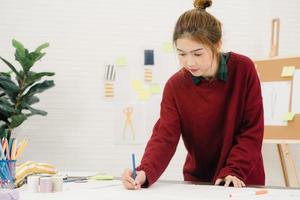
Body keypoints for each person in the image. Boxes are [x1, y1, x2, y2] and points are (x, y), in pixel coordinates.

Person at [122, 0, 265, 189]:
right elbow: (165, 136)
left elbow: (251, 129)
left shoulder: (243, 69)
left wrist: (234, 169)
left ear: (217, 44)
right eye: (181, 54)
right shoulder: (175, 86)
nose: (189, 62)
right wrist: (145, 170)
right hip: (200, 181)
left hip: (241, 178)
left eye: (198, 54)